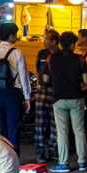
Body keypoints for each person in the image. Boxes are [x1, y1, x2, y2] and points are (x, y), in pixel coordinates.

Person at [0, 23, 32, 154]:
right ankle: (14, 158)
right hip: (13, 95)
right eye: (15, 34)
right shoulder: (17, 53)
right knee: (13, 128)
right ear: (11, 36)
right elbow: (24, 78)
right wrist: (27, 97)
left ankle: (0, 158)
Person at [49, 32, 87, 173]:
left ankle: (63, 163)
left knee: (62, 132)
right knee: (79, 130)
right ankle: (82, 162)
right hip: (76, 98)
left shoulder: (52, 59)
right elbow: (86, 80)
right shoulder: (79, 58)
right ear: (73, 44)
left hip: (59, 98)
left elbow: (44, 79)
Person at [34, 30, 59, 163]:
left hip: (56, 91)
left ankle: (53, 149)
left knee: (55, 123)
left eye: (46, 39)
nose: (44, 41)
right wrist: (39, 82)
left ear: (54, 41)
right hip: (43, 91)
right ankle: (40, 151)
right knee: (40, 123)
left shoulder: (60, 54)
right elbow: (37, 68)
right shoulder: (42, 53)